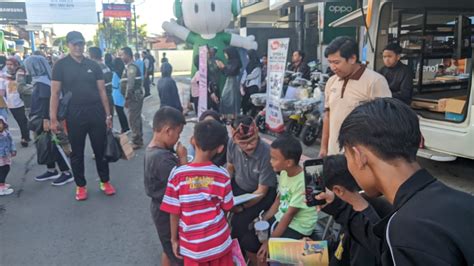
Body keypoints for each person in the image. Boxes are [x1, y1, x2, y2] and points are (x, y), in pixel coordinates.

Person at [316, 98, 474, 265]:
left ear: (359, 156)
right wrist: (338, 206)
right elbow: (385, 248)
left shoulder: (407, 229)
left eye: (347, 156)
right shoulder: (461, 201)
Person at [50, 31, 115, 201]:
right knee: (77, 152)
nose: (78, 47)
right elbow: (55, 93)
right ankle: (80, 186)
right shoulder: (60, 65)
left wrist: (108, 115)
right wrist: (53, 118)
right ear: (68, 45)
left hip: (96, 112)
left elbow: (102, 91)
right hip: (74, 114)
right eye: (74, 44)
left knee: (100, 149)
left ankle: (105, 181)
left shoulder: (93, 65)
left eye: (81, 44)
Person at [160, 119, 234, 265]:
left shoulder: (177, 175)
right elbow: (227, 208)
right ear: (220, 148)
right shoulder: (222, 175)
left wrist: (174, 239)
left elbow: (174, 212)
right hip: (219, 243)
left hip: (193, 249)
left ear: (193, 140)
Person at [241, 134, 318, 266]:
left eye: (274, 158)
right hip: (280, 219)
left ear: (288, 162)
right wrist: (264, 219)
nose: (270, 161)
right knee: (248, 242)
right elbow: (278, 201)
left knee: (268, 253)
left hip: (298, 227)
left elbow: (289, 215)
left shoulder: (304, 182)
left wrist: (269, 242)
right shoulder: (284, 173)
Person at [320, 36, 391, 157]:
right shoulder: (332, 82)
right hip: (334, 154)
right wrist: (324, 147)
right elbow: (328, 116)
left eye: (337, 62)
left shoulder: (375, 81)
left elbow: (385, 121)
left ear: (352, 58)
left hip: (361, 157)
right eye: (330, 62)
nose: (333, 67)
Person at [145, 107, 187, 266]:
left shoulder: (154, 150)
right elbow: (184, 186)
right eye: (178, 133)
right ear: (168, 130)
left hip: (159, 208)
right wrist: (182, 158)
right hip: (167, 214)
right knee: (177, 254)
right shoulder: (163, 159)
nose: (178, 138)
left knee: (168, 249)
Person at [321, 155, 381, 266]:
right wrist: (317, 248)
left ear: (337, 190)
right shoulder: (350, 211)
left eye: (322, 190)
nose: (319, 195)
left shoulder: (362, 227)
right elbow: (339, 245)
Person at [227, 115, 277, 244]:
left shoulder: (266, 153)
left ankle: (240, 254)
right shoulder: (231, 144)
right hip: (239, 187)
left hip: (260, 194)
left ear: (257, 134)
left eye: (252, 141)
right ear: (235, 140)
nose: (249, 146)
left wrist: (242, 207)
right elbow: (230, 168)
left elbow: (261, 191)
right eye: (243, 143)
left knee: (238, 223)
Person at [25, 55, 73, 186]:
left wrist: (47, 119)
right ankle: (51, 170)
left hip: (43, 119)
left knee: (53, 145)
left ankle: (66, 172)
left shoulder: (43, 82)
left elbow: (47, 101)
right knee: (44, 145)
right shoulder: (41, 80)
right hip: (39, 119)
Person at [3, 57, 30, 147]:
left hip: (22, 101)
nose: (9, 66)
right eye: (7, 64)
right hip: (11, 103)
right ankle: (26, 136)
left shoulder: (21, 74)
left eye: (11, 64)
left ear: (16, 65)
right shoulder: (5, 76)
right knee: (20, 121)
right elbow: (3, 91)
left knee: (23, 121)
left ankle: (25, 138)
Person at [121, 47, 144, 150]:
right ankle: (138, 139)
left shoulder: (131, 67)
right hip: (134, 97)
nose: (121, 57)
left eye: (122, 55)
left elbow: (130, 84)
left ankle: (136, 141)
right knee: (136, 118)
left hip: (134, 97)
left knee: (133, 119)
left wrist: (127, 98)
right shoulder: (129, 67)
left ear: (127, 55)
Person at [216, 47, 242, 119]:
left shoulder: (235, 62)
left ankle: (233, 116)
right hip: (229, 81)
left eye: (226, 54)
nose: (225, 55)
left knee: (231, 98)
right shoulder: (231, 62)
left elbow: (230, 72)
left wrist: (223, 67)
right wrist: (221, 68)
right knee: (225, 97)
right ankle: (227, 115)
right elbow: (226, 73)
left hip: (233, 82)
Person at [89, 47, 114, 117]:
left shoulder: (95, 68)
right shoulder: (105, 66)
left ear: (92, 56)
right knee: (109, 123)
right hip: (109, 98)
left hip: (101, 100)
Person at [111, 58, 130, 134]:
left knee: (120, 113)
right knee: (122, 112)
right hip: (122, 93)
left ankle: (124, 128)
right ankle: (126, 127)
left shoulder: (115, 74)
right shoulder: (124, 71)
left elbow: (114, 85)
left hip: (116, 95)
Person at [241, 49, 262, 117]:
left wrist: (245, 78)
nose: (247, 56)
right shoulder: (248, 64)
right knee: (244, 101)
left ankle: (252, 116)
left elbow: (254, 75)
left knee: (253, 102)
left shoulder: (257, 65)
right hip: (248, 86)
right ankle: (245, 115)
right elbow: (245, 73)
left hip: (254, 86)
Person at [0, 116, 16, 196]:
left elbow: (11, 141)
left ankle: (2, 184)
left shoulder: (7, 132)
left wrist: (13, 150)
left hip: (6, 154)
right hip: (1, 156)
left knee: (6, 167)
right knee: (2, 170)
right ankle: (1, 186)